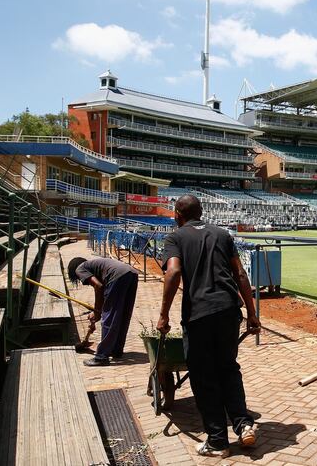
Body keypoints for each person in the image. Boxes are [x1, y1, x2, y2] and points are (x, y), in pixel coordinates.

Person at [157, 195, 260, 458]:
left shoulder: (176, 238)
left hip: (199, 314)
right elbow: (240, 274)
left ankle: (217, 441)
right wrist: (251, 312)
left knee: (204, 377)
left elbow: (174, 272)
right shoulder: (222, 234)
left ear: (177, 215)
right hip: (228, 310)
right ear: (201, 213)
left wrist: (164, 315)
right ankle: (243, 423)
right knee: (228, 369)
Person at [67, 256, 139, 366]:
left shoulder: (79, 269)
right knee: (123, 315)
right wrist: (98, 311)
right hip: (132, 273)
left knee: (109, 317)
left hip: (118, 275)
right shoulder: (96, 266)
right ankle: (116, 350)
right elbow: (104, 290)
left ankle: (101, 357)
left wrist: (97, 312)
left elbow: (98, 286)